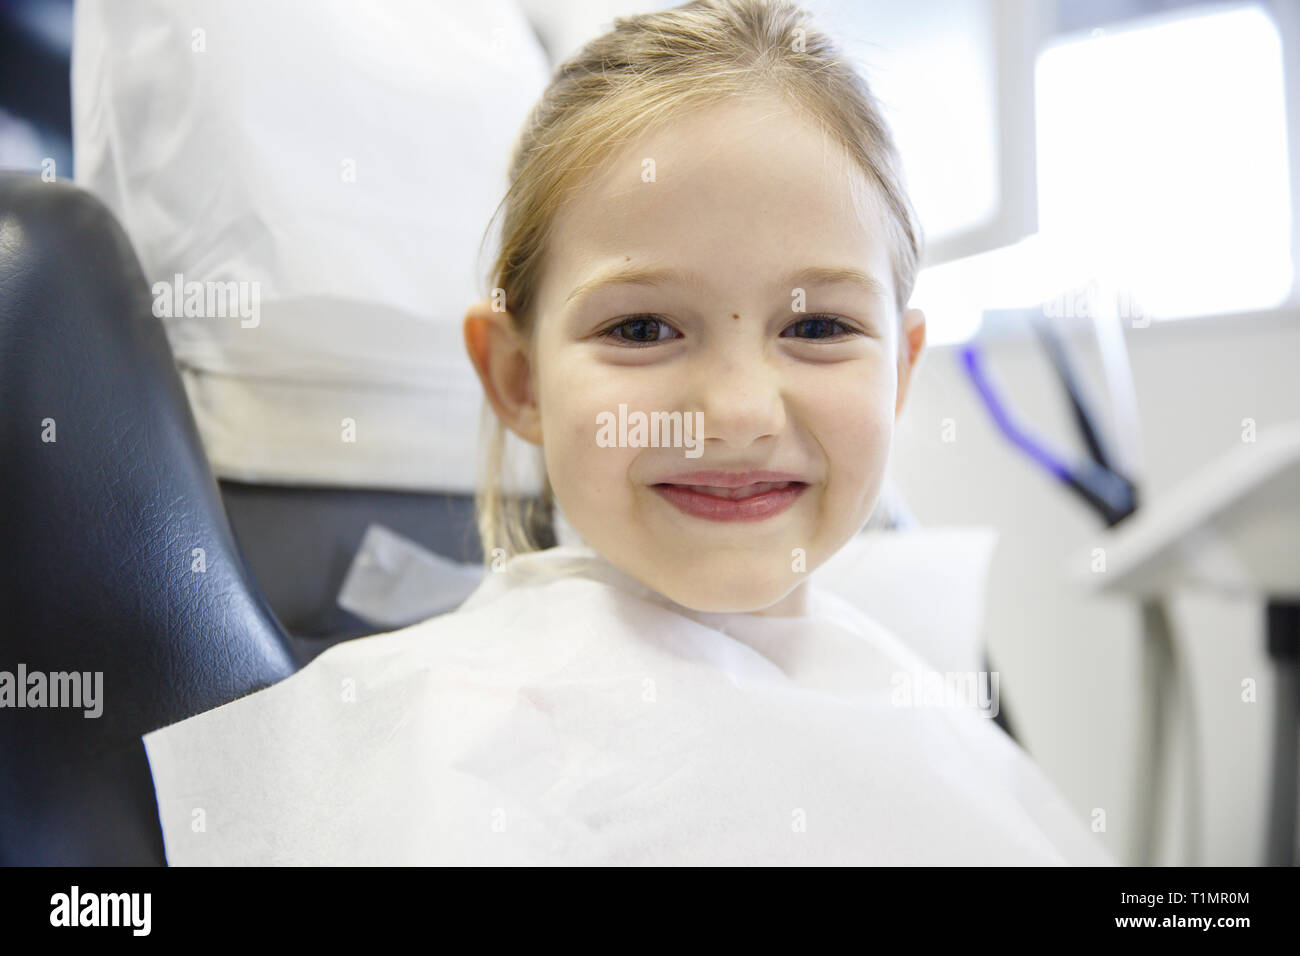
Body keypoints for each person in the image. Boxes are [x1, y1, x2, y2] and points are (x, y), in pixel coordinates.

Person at [142, 0, 1115, 866]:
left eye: (816, 326)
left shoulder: (917, 701)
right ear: (517, 377)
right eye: (642, 328)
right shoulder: (464, 750)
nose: (736, 411)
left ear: (899, 371)